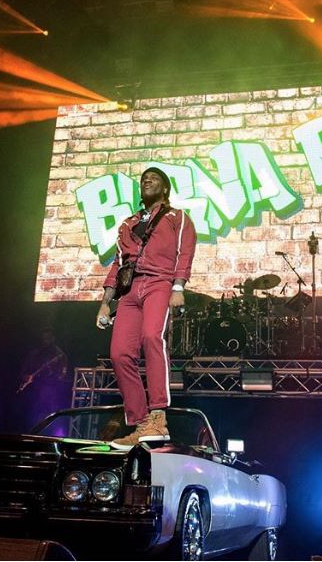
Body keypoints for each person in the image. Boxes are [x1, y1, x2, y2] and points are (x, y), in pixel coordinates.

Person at [96, 167, 196, 450]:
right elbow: (117, 263)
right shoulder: (128, 223)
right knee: (118, 353)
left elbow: (184, 250)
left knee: (152, 337)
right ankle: (141, 425)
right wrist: (105, 304)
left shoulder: (178, 217)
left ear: (164, 189)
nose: (146, 181)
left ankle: (158, 416)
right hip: (129, 291)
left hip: (159, 283)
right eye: (143, 179)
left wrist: (178, 287)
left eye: (154, 178)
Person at [17, 326, 70, 429]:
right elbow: (23, 371)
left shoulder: (59, 355)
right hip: (34, 390)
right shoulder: (35, 353)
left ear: (53, 339)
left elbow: (63, 374)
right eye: (44, 339)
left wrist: (53, 372)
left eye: (48, 339)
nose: (45, 341)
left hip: (50, 389)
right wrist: (27, 377)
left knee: (46, 415)